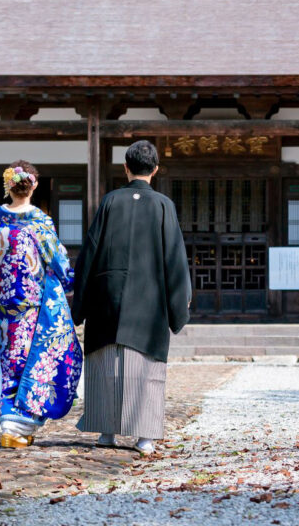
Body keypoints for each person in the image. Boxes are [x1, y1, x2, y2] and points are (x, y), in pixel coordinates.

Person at [72, 140, 192, 455]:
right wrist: (178, 308)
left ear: (125, 168)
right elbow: (175, 260)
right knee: (147, 369)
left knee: (106, 361)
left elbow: (89, 253)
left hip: (106, 297)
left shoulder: (109, 202)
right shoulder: (163, 205)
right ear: (155, 170)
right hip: (149, 302)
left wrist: (79, 307)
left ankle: (106, 432)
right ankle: (145, 437)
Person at [0, 161, 83, 449]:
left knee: (5, 362)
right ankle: (17, 424)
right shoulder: (40, 222)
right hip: (32, 305)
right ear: (33, 186)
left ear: (9, 185)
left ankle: (11, 424)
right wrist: (73, 282)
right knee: (29, 363)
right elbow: (58, 261)